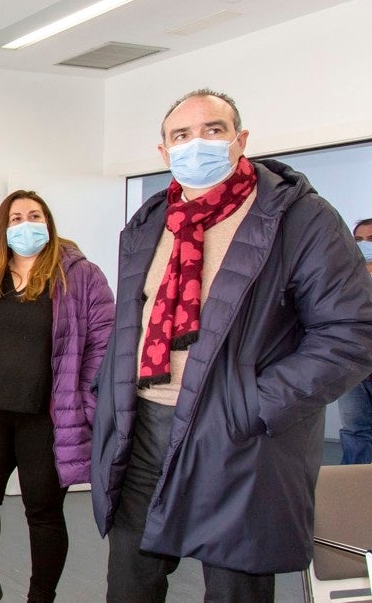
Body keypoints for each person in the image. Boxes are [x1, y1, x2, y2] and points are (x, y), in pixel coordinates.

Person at [91, 89, 372, 602]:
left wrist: (253, 404)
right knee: (130, 581)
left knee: (233, 587)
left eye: (213, 130)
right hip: (143, 427)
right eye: (181, 135)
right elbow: (134, 319)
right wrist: (107, 393)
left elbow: (351, 332)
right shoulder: (151, 221)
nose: (196, 144)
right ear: (164, 152)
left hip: (237, 433)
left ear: (240, 140)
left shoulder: (300, 218)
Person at [0, 191, 114, 603]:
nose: (26, 224)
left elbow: (104, 343)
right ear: (3, 229)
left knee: (43, 512)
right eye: (16, 218)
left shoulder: (81, 276)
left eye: (35, 216)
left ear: (48, 223)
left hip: (48, 418)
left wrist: (86, 404)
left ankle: (40, 596)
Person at [337, 217, 372, 464]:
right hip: (353, 369)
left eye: (371, 239)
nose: (364, 244)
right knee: (355, 433)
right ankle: (357, 485)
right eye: (358, 239)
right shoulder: (344, 279)